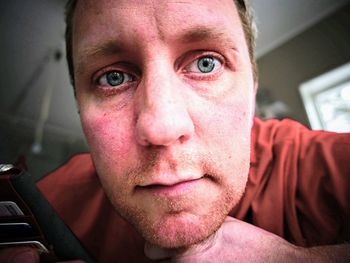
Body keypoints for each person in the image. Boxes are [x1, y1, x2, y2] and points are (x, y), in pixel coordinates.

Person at [1, 0, 349, 262]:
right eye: (113, 77)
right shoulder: (48, 207)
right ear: (79, 105)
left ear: (253, 86)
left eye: (205, 63)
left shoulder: (317, 166)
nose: (163, 128)